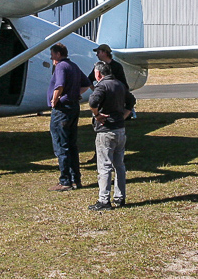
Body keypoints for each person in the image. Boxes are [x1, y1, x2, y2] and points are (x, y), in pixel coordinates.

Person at [87, 61, 128, 211]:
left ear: (98, 73)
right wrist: (122, 117)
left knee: (104, 166)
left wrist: (97, 115)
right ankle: (120, 196)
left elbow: (92, 101)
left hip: (106, 130)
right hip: (120, 130)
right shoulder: (119, 84)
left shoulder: (102, 86)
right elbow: (131, 101)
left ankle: (104, 200)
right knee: (119, 165)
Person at [47, 43, 86, 191]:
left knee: (61, 145)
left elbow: (59, 85)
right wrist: (75, 94)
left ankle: (65, 181)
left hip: (62, 111)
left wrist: (55, 100)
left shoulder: (61, 67)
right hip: (73, 107)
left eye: (52, 54)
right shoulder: (73, 66)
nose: (51, 58)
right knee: (71, 144)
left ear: (57, 54)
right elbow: (86, 83)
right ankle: (76, 179)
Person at [88, 44, 136, 119]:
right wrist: (94, 89)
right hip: (104, 96)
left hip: (115, 96)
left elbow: (123, 83)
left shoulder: (117, 66)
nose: (97, 55)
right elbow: (89, 80)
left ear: (104, 52)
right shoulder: (97, 67)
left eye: (98, 52)